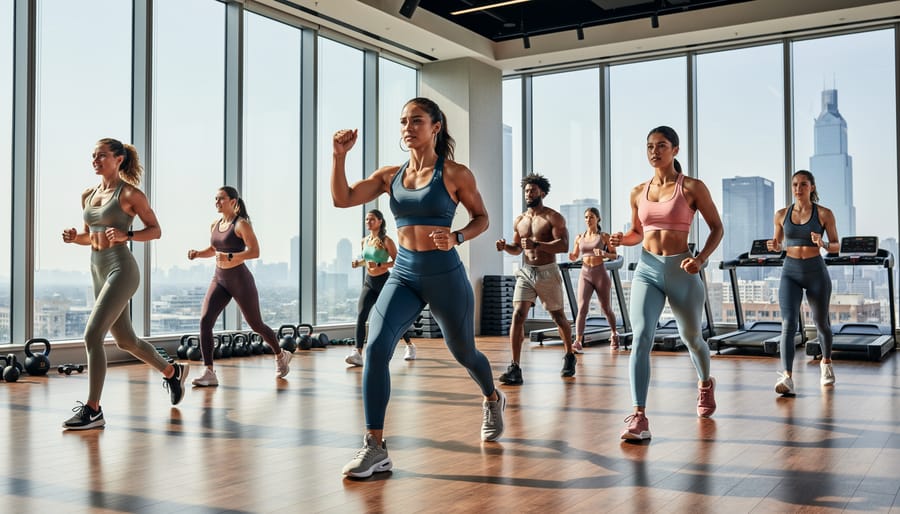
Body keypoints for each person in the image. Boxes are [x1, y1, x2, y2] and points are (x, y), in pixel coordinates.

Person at [332, 97, 506, 478]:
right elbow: (341, 198)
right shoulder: (388, 176)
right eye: (403, 122)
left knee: (464, 353)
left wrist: (457, 235)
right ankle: (375, 447)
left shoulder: (456, 173)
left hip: (444, 274)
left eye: (416, 121)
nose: (408, 128)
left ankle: (492, 398)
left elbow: (482, 218)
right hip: (404, 274)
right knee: (377, 347)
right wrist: (338, 156)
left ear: (436, 127)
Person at [61, 138, 189, 430]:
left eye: (101, 156)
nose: (95, 160)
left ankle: (93, 410)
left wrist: (126, 236)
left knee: (92, 335)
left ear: (118, 159)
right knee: (125, 340)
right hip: (98, 269)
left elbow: (156, 231)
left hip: (122, 269)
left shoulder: (130, 194)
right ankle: (172, 371)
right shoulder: (88, 194)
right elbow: (89, 236)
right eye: (93, 156)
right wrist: (74, 237)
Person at [610, 126, 723, 441]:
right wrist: (622, 239)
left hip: (682, 270)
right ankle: (639, 416)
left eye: (661, 145)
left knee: (691, 339)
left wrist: (699, 261)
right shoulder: (637, 192)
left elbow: (717, 228)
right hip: (647, 269)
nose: (654, 151)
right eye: (649, 146)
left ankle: (705, 383)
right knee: (642, 337)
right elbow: (637, 233)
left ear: (675, 150)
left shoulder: (692, 188)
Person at [187, 186, 292, 386]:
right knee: (205, 321)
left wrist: (233, 256)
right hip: (219, 279)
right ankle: (209, 371)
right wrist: (198, 254)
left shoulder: (241, 224)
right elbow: (214, 248)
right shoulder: (215, 224)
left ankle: (280, 355)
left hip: (240, 280)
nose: (217, 203)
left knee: (255, 324)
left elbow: (255, 251)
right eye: (215, 199)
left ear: (233, 201)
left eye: (221, 199)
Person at [496, 173, 575, 383]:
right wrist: (506, 247)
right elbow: (516, 249)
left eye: (532, 190)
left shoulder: (553, 217)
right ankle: (515, 367)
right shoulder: (520, 220)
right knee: (518, 315)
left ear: (542, 192)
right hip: (526, 272)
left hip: (548, 270)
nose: (528, 194)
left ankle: (569, 355)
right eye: (526, 191)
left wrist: (538, 245)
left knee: (558, 317)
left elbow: (564, 245)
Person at [766, 170, 838, 395]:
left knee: (821, 323)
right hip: (791, 272)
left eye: (803, 184)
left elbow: (837, 245)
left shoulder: (824, 214)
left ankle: (826, 364)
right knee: (788, 324)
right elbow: (778, 243)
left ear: (812, 187)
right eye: (795, 184)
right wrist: (775, 246)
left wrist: (824, 243)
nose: (798, 189)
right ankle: (787, 377)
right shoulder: (781, 214)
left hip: (816, 271)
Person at [345, 209, 417, 367]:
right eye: (366, 220)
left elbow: (398, 262)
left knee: (393, 316)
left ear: (380, 222)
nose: (368, 222)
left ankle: (410, 346)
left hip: (384, 281)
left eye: (371, 219)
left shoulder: (386, 241)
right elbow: (367, 260)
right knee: (361, 315)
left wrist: (381, 264)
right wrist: (359, 263)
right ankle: (357, 353)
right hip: (369, 282)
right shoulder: (364, 241)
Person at [567, 207, 620, 353]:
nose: (588, 220)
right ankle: (578, 341)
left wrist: (604, 253)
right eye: (586, 217)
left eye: (591, 217)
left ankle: (614, 334)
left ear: (597, 219)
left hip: (600, 273)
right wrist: (572, 256)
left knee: (605, 308)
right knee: (582, 308)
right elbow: (576, 254)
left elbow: (615, 255)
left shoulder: (604, 236)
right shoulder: (579, 237)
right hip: (585, 273)